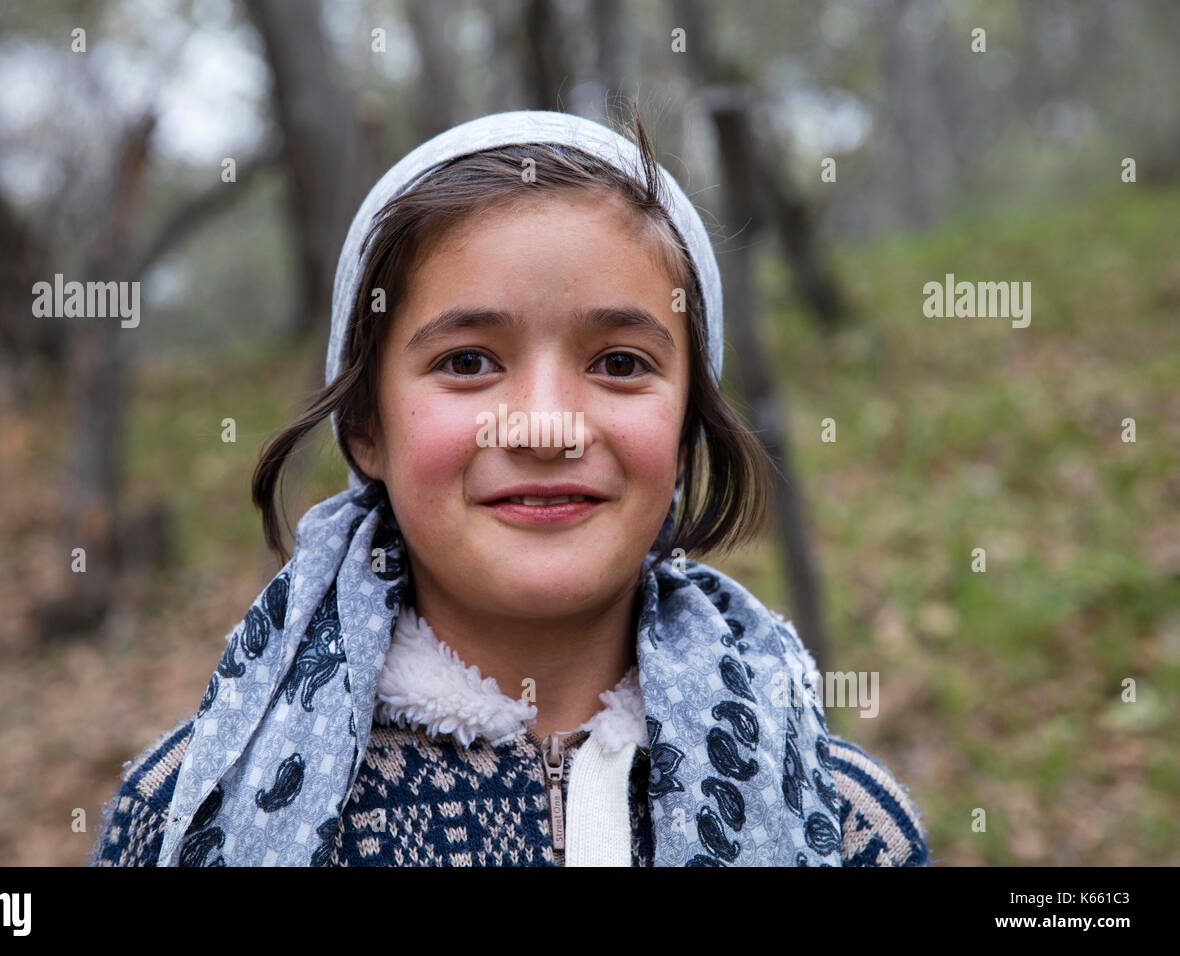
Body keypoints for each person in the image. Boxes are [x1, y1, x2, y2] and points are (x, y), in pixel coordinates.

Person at [88, 106, 930, 867]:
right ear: (367, 428)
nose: (545, 427)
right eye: (467, 363)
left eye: (619, 364)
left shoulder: (844, 824)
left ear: (685, 426)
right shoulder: (186, 814)